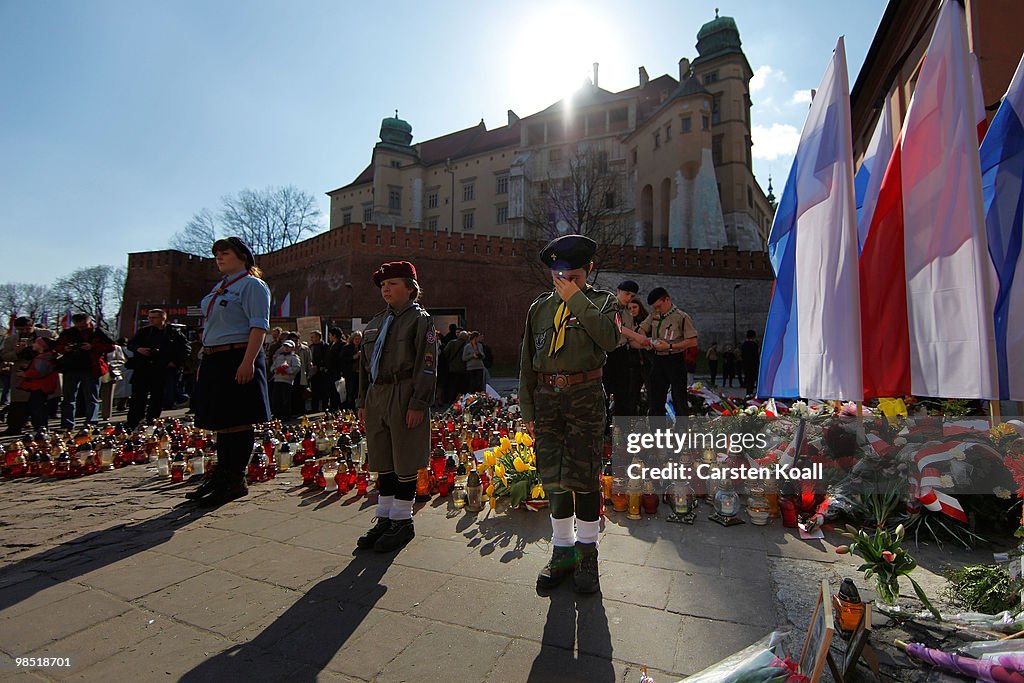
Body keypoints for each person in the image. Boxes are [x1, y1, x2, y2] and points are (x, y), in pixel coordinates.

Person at [520, 234, 618, 594]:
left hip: (585, 395)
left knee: (584, 473)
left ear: (588, 271)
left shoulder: (602, 302)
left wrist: (576, 299)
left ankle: (587, 551)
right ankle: (562, 548)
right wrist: (527, 406)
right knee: (553, 474)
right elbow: (527, 363)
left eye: (573, 276)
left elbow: (609, 339)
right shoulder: (539, 309)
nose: (564, 282)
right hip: (547, 397)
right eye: (559, 276)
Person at [356, 260, 438, 553]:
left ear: (410, 287)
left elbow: (426, 366)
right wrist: (362, 400)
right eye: (382, 285)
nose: (386, 290)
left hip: (404, 392)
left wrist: (418, 402)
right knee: (382, 458)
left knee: (405, 458)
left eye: (392, 284)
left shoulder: (420, 320)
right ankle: (385, 518)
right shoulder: (376, 322)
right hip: (377, 394)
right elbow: (365, 367)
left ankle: (403, 521)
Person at [190, 236, 272, 507]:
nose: (219, 258)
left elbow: (258, 327)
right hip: (216, 357)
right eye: (217, 254)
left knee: (238, 419)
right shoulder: (219, 287)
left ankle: (235, 478)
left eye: (225, 253)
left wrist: (248, 361)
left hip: (238, 354)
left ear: (242, 257)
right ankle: (222, 474)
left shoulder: (251, 285)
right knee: (222, 422)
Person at [620, 287, 698, 417]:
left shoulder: (681, 317)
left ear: (667, 300)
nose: (657, 309)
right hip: (657, 359)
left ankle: (681, 432)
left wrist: (670, 346)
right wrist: (647, 341)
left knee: (679, 398)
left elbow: (692, 341)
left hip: (675, 358)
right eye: (654, 307)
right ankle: (657, 432)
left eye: (659, 306)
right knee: (656, 398)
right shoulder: (654, 315)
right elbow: (641, 329)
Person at [126, 309, 188, 430]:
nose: (151, 320)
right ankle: (133, 422)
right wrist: (139, 349)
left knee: (157, 397)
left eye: (154, 317)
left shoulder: (173, 332)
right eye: (149, 317)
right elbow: (131, 344)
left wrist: (174, 362)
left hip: (162, 369)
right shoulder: (144, 332)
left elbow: (185, 349)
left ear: (162, 318)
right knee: (137, 397)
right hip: (143, 368)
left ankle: (151, 421)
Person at [55, 313, 115, 429]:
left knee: (91, 397)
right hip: (71, 367)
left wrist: (92, 347)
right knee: (68, 397)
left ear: (89, 322)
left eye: (84, 326)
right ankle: (67, 423)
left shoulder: (97, 332)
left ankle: (91, 422)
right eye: (78, 326)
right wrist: (65, 348)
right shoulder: (68, 333)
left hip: (91, 367)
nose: (80, 328)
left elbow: (111, 346)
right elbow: (57, 346)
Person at [1, 317, 55, 435]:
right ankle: (14, 428)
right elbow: (5, 356)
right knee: (18, 403)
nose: (25, 331)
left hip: (41, 374)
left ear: (33, 326)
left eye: (27, 328)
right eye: (21, 329)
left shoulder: (46, 334)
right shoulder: (10, 340)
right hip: (20, 374)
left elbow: (56, 349)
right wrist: (17, 352)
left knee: (39, 404)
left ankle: (40, 429)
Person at [604, 280, 638, 416]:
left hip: (622, 352)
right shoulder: (608, 305)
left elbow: (630, 339)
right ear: (618, 291)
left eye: (632, 296)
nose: (629, 298)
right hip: (606, 352)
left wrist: (647, 344)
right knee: (604, 390)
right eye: (627, 294)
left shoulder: (628, 313)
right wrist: (638, 337)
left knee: (623, 391)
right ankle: (603, 428)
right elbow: (617, 326)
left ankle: (621, 428)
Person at [21, 337, 60, 431]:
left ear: (41, 346)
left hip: (39, 386)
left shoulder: (42, 358)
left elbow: (39, 372)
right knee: (37, 406)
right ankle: (40, 426)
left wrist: (25, 373)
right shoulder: (46, 356)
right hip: (42, 385)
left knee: (37, 408)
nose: (33, 345)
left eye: (35, 343)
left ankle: (40, 427)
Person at [626, 299, 650, 415]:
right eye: (629, 308)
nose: (632, 310)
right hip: (633, 363)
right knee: (632, 394)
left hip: (648, 362)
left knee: (652, 392)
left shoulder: (647, 322)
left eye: (634, 307)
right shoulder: (627, 323)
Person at [271, 341, 300, 418]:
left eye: (288, 347)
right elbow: (273, 366)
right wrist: (276, 370)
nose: (286, 348)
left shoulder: (294, 357)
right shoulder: (279, 357)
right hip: (277, 379)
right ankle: (277, 413)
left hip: (287, 380)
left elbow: (296, 368)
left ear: (292, 348)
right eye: (285, 346)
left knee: (286, 398)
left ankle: (286, 414)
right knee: (276, 398)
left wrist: (287, 370)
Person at [99, 341, 126, 421]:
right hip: (97, 371)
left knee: (108, 394)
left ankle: (106, 414)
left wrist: (111, 364)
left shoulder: (116, 347)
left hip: (109, 372)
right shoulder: (97, 346)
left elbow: (121, 360)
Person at [308, 330, 331, 413]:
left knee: (324, 391)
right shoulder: (311, 347)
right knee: (314, 391)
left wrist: (321, 366)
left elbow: (328, 359)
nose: (311, 339)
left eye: (313, 337)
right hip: (314, 372)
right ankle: (314, 408)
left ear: (318, 337)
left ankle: (325, 408)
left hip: (323, 372)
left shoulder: (326, 346)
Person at [338, 330, 362, 410]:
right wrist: (353, 357)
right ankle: (349, 408)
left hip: (360, 373)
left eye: (359, 339)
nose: (357, 341)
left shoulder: (362, 347)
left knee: (358, 392)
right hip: (350, 373)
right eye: (356, 339)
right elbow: (342, 359)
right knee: (350, 391)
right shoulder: (347, 348)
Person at [443, 330, 468, 403]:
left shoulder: (452, 343)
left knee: (452, 386)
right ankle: (461, 400)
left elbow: (445, 352)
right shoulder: (466, 344)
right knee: (462, 387)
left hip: (452, 368)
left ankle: (451, 399)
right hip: (463, 369)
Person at [325, 327, 346, 411]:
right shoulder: (331, 344)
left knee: (338, 391)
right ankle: (332, 407)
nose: (329, 336)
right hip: (330, 372)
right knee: (331, 391)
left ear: (334, 335)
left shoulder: (342, 345)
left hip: (337, 371)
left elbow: (340, 358)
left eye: (330, 335)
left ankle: (340, 408)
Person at [741, 329, 760, 397]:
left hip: (746, 364)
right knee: (753, 379)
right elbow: (756, 355)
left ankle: (748, 393)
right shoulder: (754, 345)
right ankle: (752, 393)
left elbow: (742, 355)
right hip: (753, 364)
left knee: (748, 378)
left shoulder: (744, 345)